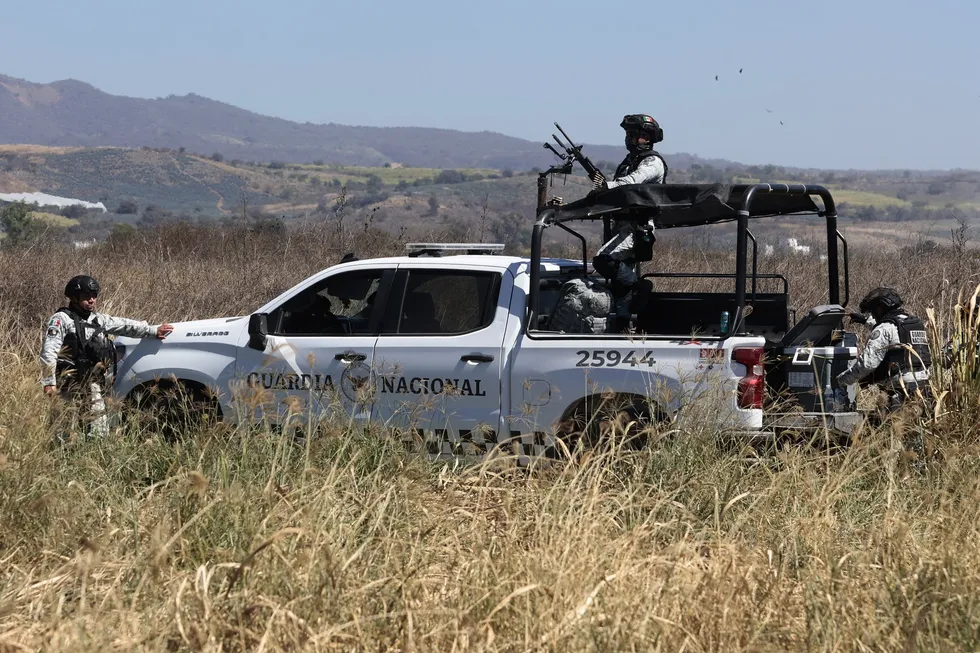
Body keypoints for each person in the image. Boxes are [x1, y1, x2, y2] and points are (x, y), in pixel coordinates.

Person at [41, 275, 174, 440]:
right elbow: (49, 352)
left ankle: (91, 459)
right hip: (67, 383)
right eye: (86, 296)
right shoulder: (61, 319)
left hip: (92, 383)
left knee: (99, 428)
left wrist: (153, 331)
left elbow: (125, 325)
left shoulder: (98, 320)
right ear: (74, 298)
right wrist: (49, 382)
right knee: (63, 427)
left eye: (94, 296)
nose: (91, 300)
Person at [590, 114, 668, 330]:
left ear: (648, 138)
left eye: (636, 135)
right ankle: (623, 325)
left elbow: (632, 183)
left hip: (638, 228)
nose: (631, 138)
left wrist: (608, 186)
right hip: (621, 225)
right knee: (619, 285)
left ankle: (639, 286)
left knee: (604, 260)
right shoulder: (628, 162)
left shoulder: (653, 162)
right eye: (628, 134)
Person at [837, 287, 932, 414]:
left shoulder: (884, 328)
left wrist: (841, 380)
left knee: (892, 430)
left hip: (898, 392)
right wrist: (865, 320)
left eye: (873, 311)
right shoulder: (913, 323)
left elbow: (867, 364)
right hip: (923, 389)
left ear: (880, 308)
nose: (873, 315)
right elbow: (894, 332)